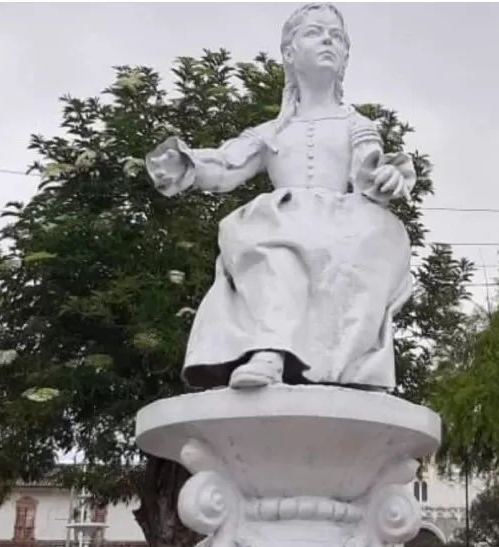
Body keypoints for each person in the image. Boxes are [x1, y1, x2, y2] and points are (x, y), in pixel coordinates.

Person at [144, 2, 415, 391]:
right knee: (273, 252)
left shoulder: (356, 124)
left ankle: (345, 368)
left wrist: (386, 176)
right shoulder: (271, 131)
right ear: (289, 53)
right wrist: (187, 165)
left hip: (343, 225)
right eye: (314, 32)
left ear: (345, 59)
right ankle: (269, 355)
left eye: (336, 37)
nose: (327, 40)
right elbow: (226, 166)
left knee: (360, 244)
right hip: (284, 221)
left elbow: (368, 171)